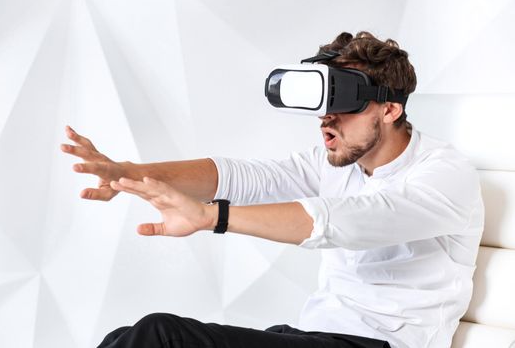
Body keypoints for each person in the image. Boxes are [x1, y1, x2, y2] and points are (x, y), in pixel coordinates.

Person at [61, 31, 484, 348]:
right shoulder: (338, 164)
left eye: (345, 103)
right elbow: (245, 178)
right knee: (125, 338)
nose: (326, 120)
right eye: (322, 105)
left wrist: (212, 217)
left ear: (391, 109)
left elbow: (347, 222)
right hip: (311, 335)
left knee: (160, 335)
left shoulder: (445, 174)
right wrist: (128, 171)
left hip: (381, 345)